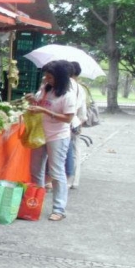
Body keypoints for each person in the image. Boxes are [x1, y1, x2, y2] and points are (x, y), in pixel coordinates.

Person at [24, 60, 77, 221]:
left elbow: (68, 119)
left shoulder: (67, 95)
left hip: (58, 136)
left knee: (56, 172)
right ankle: (36, 202)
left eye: (50, 77)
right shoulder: (45, 89)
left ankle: (59, 209)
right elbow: (40, 103)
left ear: (60, 78)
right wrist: (33, 100)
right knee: (36, 170)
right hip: (40, 134)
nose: (47, 79)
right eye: (46, 76)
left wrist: (44, 111)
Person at [64, 61, 88, 188]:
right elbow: (83, 112)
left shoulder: (65, 86)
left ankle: (67, 179)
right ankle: (74, 180)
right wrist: (80, 123)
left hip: (66, 122)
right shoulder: (80, 88)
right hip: (76, 122)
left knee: (66, 152)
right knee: (75, 152)